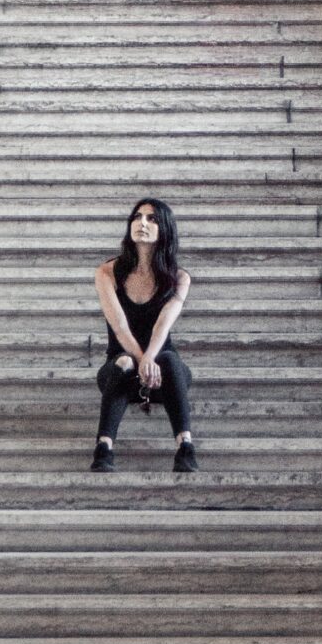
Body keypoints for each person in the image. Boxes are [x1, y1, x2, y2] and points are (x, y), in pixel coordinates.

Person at [90, 195, 196, 473]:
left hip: (164, 377)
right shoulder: (107, 273)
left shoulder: (179, 277)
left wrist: (150, 358)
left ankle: (185, 447)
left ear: (165, 229)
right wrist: (140, 359)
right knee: (124, 362)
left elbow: (163, 325)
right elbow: (119, 326)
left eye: (151, 218)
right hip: (119, 373)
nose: (142, 223)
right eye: (137, 217)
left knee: (171, 360)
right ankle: (103, 448)